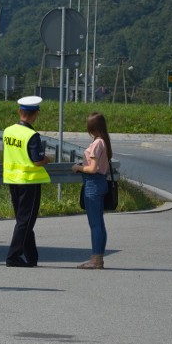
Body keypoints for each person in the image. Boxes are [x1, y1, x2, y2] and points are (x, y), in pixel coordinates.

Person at [2, 95, 51, 267]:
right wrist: (47, 159)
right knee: (26, 221)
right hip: (28, 181)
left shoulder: (8, 131)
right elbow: (37, 160)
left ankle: (32, 256)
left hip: (12, 179)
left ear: (19, 112)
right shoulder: (32, 135)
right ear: (35, 114)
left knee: (24, 219)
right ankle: (13, 256)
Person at [71, 112, 113, 269]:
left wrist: (78, 167)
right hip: (101, 183)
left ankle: (95, 259)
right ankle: (99, 258)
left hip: (93, 184)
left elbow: (93, 168)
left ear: (91, 127)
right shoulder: (105, 142)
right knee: (100, 224)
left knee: (95, 224)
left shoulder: (97, 143)